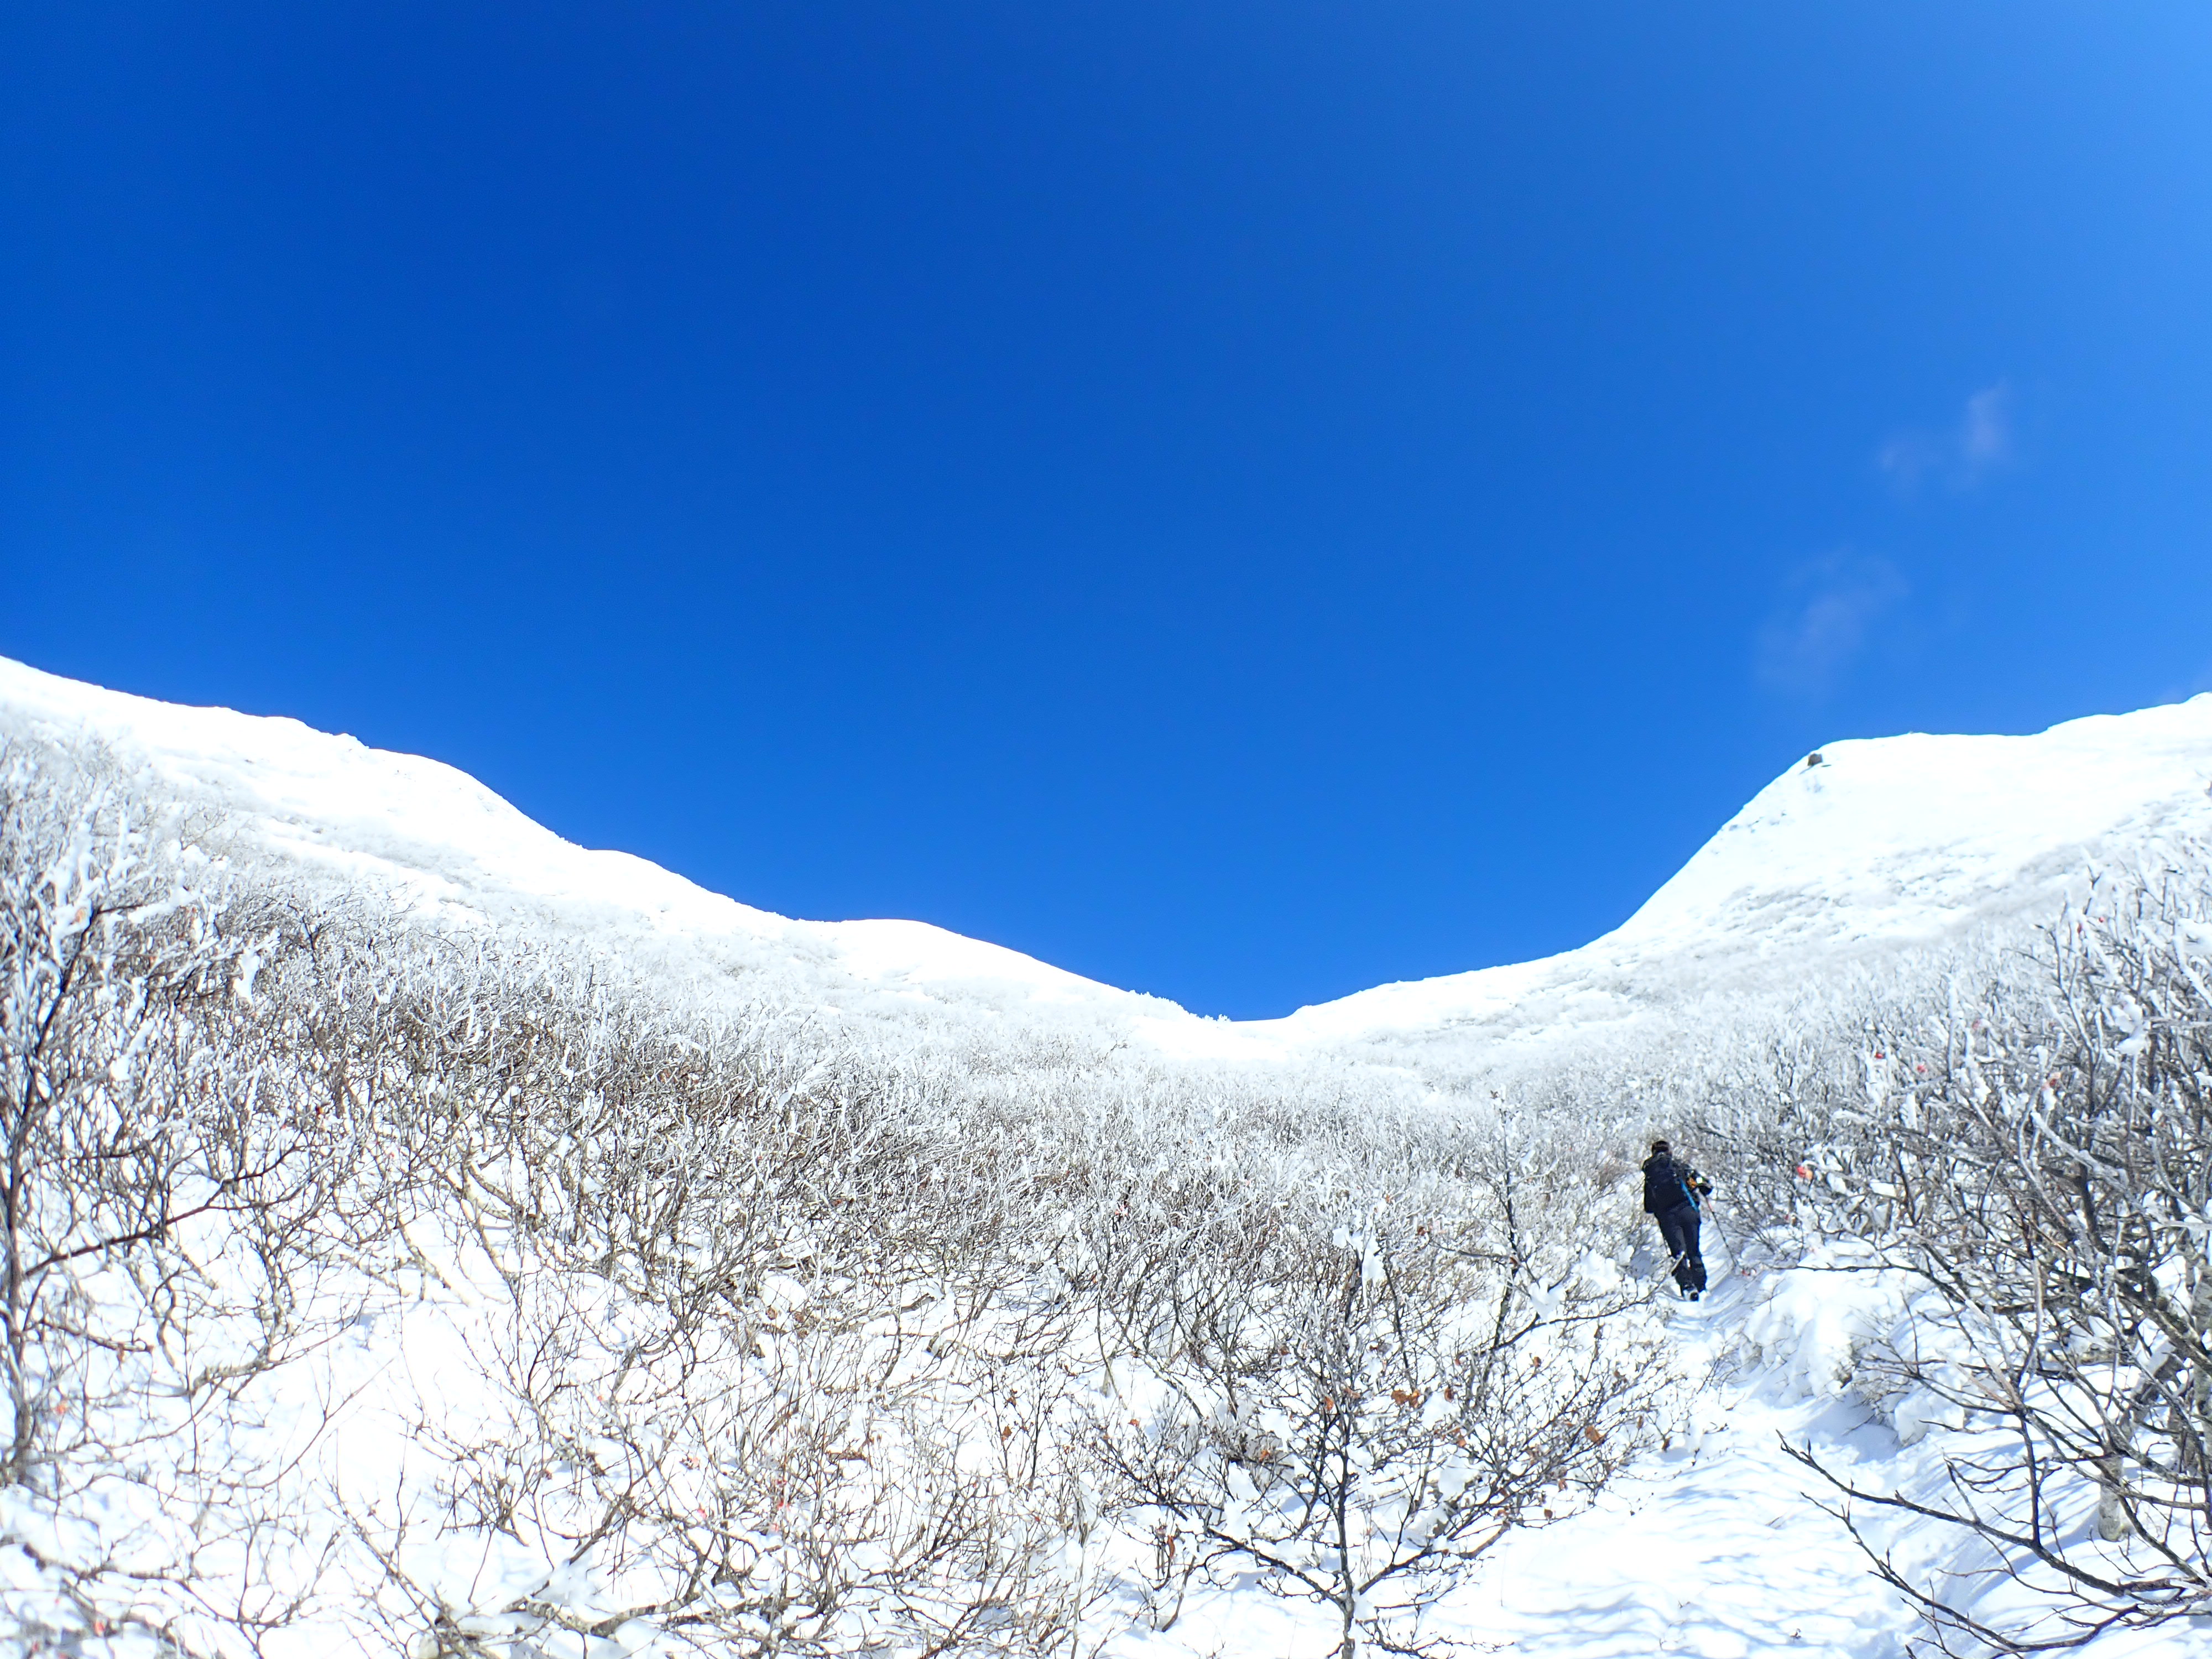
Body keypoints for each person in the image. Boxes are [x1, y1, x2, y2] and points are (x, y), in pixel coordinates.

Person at [1641, 1139, 1713, 1300]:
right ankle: (1701, 1285)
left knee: (1678, 1253)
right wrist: (1701, 1186)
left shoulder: (1651, 1175)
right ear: (1669, 1151)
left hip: (1668, 1218)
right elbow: (1701, 1182)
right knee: (1694, 1249)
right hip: (1689, 1212)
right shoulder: (1679, 1166)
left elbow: (1649, 1207)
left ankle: (1688, 1288)